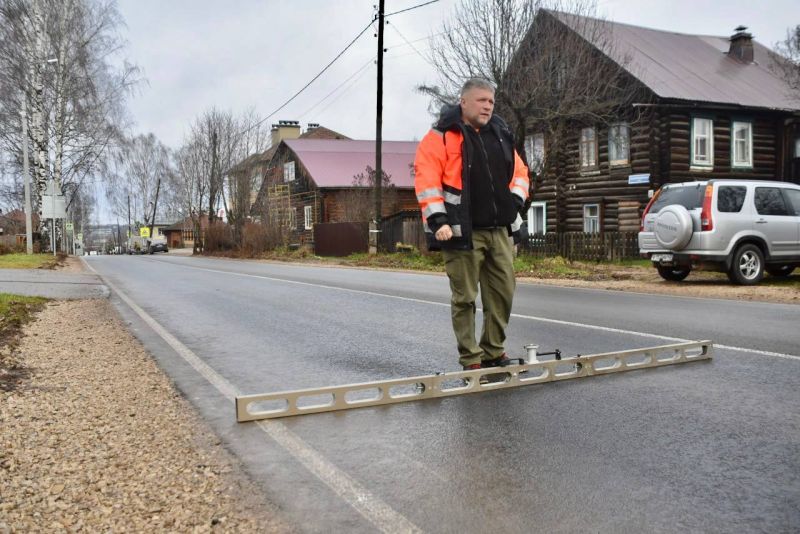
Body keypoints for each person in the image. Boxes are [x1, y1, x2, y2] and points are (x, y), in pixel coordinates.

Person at [414, 78, 530, 371]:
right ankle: (471, 358)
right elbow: (426, 181)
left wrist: (514, 202)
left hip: (500, 230)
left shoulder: (500, 133)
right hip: (460, 231)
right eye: (481, 100)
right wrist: (438, 220)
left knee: (502, 293)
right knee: (465, 298)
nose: (487, 106)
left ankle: (493, 351)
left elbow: (520, 173)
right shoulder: (440, 136)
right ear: (463, 102)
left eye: (491, 101)